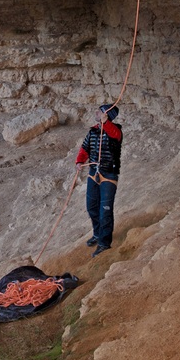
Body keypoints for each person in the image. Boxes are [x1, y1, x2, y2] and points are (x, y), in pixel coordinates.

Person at [75, 104, 123, 257]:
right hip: (93, 174)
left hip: (109, 175)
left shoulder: (115, 131)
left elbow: (113, 133)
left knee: (105, 212)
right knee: (92, 207)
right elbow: (85, 148)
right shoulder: (93, 131)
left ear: (106, 115)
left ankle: (104, 243)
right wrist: (79, 161)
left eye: (100, 111)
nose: (96, 112)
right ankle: (97, 233)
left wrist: (105, 123)